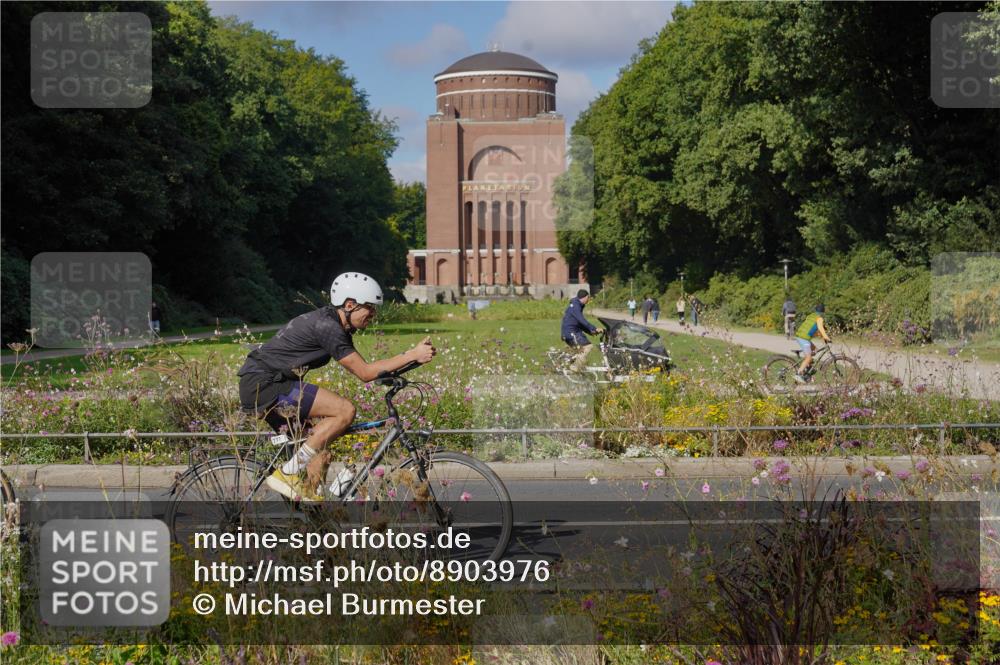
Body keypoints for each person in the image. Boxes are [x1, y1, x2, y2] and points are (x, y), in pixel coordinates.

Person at [238, 272, 436, 502]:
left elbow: (371, 369)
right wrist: (411, 353)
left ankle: (311, 519)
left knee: (320, 455)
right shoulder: (327, 326)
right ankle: (288, 474)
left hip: (267, 383)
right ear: (350, 304)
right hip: (265, 384)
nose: (373, 314)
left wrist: (412, 360)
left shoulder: (335, 325)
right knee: (344, 410)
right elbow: (365, 372)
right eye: (369, 308)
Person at [561, 289, 601, 372]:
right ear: (584, 297)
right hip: (571, 333)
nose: (589, 299)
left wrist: (590, 331)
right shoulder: (576, 306)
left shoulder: (576, 305)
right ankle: (575, 367)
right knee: (588, 346)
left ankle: (568, 366)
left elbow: (579, 323)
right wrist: (594, 328)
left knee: (577, 353)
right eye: (588, 297)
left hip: (568, 332)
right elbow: (582, 320)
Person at [794, 303, 831, 383]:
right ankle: (798, 374)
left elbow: (815, 330)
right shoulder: (820, 318)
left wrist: (822, 337)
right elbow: (821, 328)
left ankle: (807, 366)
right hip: (803, 338)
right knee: (809, 357)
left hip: (801, 336)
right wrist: (826, 337)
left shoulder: (811, 316)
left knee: (815, 350)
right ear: (823, 312)